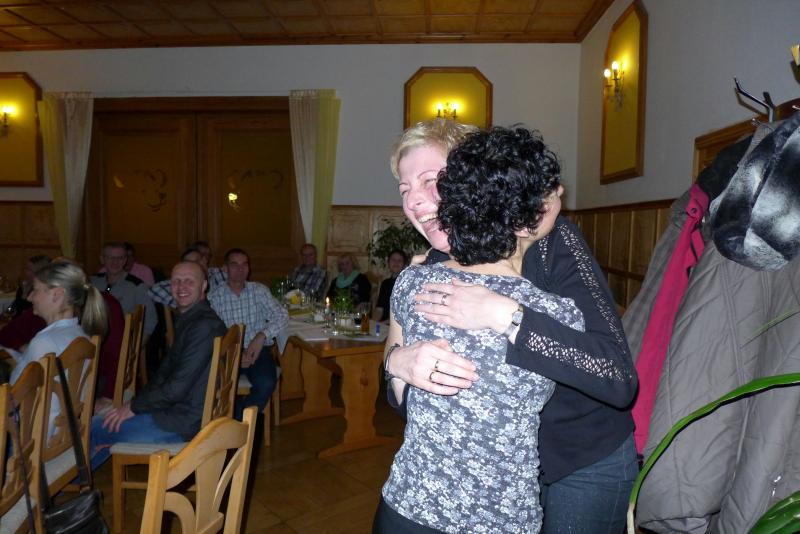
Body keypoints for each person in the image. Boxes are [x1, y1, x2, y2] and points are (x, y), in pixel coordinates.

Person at [385, 119, 638, 533]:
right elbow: (405, 395)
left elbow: (617, 375)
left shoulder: (551, 241)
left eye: (429, 181)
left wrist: (505, 314)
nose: (414, 201)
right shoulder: (426, 271)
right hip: (504, 478)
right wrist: (397, 363)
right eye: (404, 189)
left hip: (582, 458)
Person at [90, 261, 227, 469]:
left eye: (189, 281)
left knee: (93, 429)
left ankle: (70, 485)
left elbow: (175, 389)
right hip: (177, 412)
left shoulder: (203, 326)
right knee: (104, 423)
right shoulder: (192, 318)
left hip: (183, 423)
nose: (181, 287)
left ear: (204, 285)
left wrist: (134, 407)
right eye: (176, 281)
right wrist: (135, 404)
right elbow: (164, 374)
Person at [7, 260, 107, 435]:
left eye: (35, 290)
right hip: (67, 437)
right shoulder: (82, 336)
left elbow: (14, 402)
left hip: (36, 441)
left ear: (57, 294)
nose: (29, 297)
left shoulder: (44, 342)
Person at [208, 248, 288, 419]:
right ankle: (238, 423)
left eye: (244, 264)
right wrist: (234, 353)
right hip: (228, 353)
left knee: (266, 383)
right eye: (234, 264)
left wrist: (261, 336)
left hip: (258, 351)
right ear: (225, 269)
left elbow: (282, 315)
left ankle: (240, 424)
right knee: (212, 386)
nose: (240, 269)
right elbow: (211, 331)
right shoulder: (214, 297)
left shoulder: (259, 290)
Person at [91, 241, 156, 340]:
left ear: (125, 260)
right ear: (102, 259)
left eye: (120, 258)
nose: (115, 262)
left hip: (121, 342)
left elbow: (150, 320)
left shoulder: (137, 286)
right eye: (110, 257)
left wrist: (136, 346)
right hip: (92, 339)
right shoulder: (93, 282)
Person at [373, 249, 408, 322]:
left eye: (399, 260)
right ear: (388, 263)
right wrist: (374, 322)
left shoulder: (407, 283)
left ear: (404, 265)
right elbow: (379, 309)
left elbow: (403, 314)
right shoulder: (385, 283)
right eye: (393, 260)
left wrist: (384, 323)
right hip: (383, 324)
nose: (396, 263)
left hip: (397, 325)